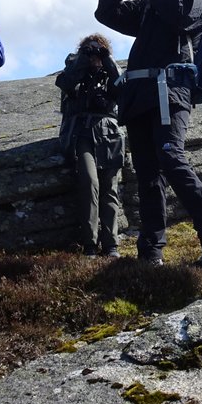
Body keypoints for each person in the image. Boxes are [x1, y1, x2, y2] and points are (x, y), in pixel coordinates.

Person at [94, 0, 202, 269]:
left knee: (172, 159)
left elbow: (184, 18)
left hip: (171, 91)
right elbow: (106, 13)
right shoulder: (150, 1)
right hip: (141, 93)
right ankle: (151, 254)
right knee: (147, 175)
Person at [55, 33, 125, 258]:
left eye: (99, 51)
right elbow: (65, 84)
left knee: (110, 188)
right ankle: (90, 244)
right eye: (89, 50)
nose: (94, 55)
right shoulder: (73, 71)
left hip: (109, 135)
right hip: (81, 134)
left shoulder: (110, 72)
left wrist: (107, 60)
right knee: (89, 182)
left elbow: (123, 89)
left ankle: (111, 244)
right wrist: (82, 61)